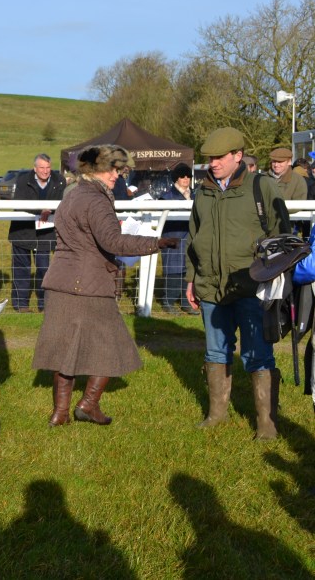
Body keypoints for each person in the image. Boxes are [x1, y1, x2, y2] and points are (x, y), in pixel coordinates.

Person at [33, 146, 176, 427]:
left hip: (61, 281)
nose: (117, 175)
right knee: (112, 346)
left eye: (119, 170)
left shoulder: (72, 196)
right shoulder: (97, 201)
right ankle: (88, 405)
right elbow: (113, 242)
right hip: (89, 284)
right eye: (113, 169)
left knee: (65, 351)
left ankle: (60, 414)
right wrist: (154, 243)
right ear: (96, 170)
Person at [186, 127, 291, 440]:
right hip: (209, 286)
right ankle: (216, 415)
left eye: (219, 157)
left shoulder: (262, 186)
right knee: (216, 352)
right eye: (209, 158)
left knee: (259, 354)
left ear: (237, 156)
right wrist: (192, 279)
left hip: (251, 287)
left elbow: (281, 236)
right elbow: (193, 237)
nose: (212, 163)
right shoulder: (202, 191)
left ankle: (267, 425)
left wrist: (272, 280)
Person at [8, 153, 67, 312]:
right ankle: (21, 305)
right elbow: (20, 203)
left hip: (46, 232)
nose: (45, 171)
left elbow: (63, 202)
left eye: (48, 167)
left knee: (45, 269)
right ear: (35, 168)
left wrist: (50, 209)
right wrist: (40, 209)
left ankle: (44, 304)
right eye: (42, 167)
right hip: (22, 231)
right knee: (21, 269)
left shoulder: (59, 180)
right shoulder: (22, 179)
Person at [159, 163, 197, 315]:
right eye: (182, 176)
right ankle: (168, 301)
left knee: (189, 270)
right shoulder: (166, 197)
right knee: (174, 271)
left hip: (190, 238)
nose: (186, 179)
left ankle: (186, 302)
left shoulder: (195, 195)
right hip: (173, 237)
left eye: (188, 176)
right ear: (176, 178)